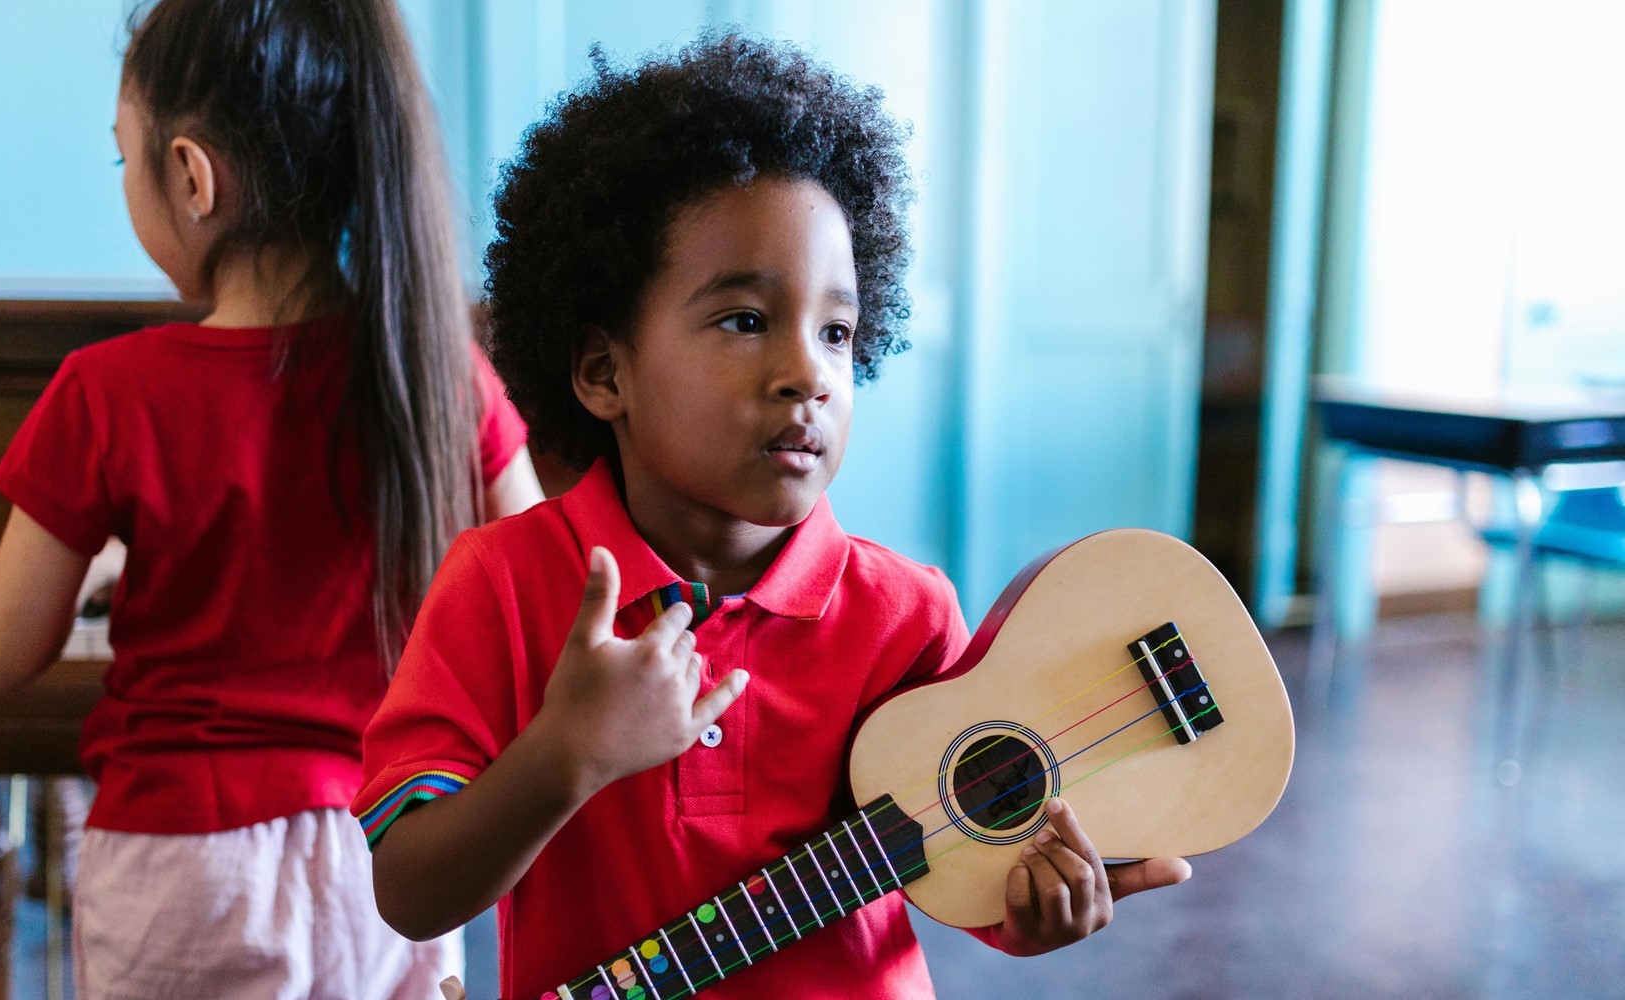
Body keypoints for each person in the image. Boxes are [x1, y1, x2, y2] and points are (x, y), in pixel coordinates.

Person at [354, 35, 1189, 1000]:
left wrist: (1040, 907)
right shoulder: (501, 582)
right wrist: (564, 754)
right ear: (602, 371)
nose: (809, 375)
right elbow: (410, 893)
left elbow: (970, 875)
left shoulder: (905, 614)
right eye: (747, 319)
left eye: (836, 331)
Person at [0, 1, 540, 996]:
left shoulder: (106, 391)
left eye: (125, 163)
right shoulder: (442, 374)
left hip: (180, 863)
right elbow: (544, 592)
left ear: (192, 177)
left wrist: (116, 560)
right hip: (391, 854)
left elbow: (1, 656)